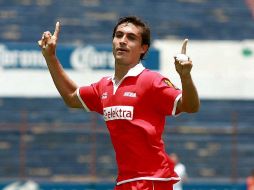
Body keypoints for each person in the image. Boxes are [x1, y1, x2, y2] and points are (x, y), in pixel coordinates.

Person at [38, 16, 200, 190]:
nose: (123, 41)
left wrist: (185, 76)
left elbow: (190, 106)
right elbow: (71, 96)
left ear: (143, 49)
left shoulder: (152, 81)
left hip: (152, 182)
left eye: (131, 38)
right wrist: (50, 57)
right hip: (124, 183)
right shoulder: (103, 87)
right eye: (119, 35)